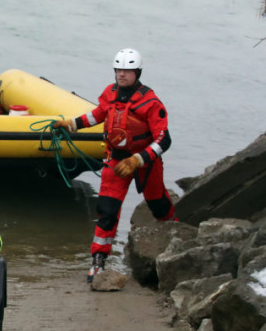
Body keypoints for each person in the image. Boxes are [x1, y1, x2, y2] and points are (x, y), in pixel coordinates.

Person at [53, 48, 176, 283]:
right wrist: (71, 124)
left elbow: (164, 139)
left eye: (127, 71)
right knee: (107, 210)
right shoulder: (109, 94)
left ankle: (175, 236)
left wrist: (137, 159)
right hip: (116, 160)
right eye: (118, 70)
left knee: (158, 204)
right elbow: (98, 115)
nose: (122, 75)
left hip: (143, 162)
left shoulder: (150, 102)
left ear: (137, 73)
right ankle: (98, 260)